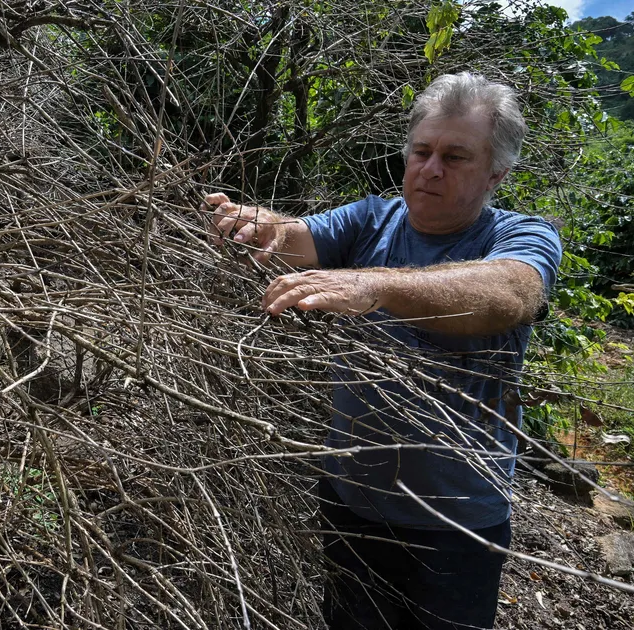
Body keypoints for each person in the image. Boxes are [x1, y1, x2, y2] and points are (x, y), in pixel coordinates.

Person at [206, 72, 562, 629]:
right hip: (352, 501)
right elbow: (297, 235)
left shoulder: (520, 236)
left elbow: (510, 292)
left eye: (455, 156)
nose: (431, 168)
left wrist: (377, 286)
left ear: (496, 173)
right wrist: (255, 226)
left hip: (457, 521)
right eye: (422, 150)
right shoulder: (373, 217)